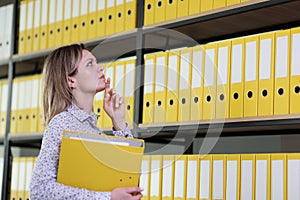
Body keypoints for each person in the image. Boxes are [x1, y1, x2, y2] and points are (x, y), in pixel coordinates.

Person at [30, 44, 143, 199]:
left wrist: (119, 121)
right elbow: (39, 190)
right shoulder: (61, 124)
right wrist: (107, 198)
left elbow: (128, 173)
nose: (100, 68)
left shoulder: (92, 127)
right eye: (90, 64)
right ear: (71, 81)